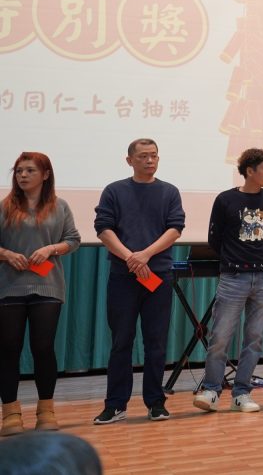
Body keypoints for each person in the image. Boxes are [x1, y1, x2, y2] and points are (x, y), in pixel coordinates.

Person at [93, 139, 185, 424]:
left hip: (158, 276)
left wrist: (145, 254)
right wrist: (130, 257)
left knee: (155, 343)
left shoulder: (169, 191)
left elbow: (175, 228)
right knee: (121, 341)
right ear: (129, 160)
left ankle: (155, 402)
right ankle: (116, 404)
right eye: (143, 156)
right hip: (123, 277)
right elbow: (103, 229)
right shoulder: (115, 190)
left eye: (154, 156)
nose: (150, 161)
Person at [0, 153, 81, 435]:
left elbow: (73, 240)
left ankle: (46, 410)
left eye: (30, 170)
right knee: (9, 348)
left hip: (48, 285)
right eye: (19, 171)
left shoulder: (60, 206)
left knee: (42, 347)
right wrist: (7, 254)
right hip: (10, 287)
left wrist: (50, 249)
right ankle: (9, 413)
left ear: (45, 174)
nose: (22, 175)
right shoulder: (5, 206)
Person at [194, 148, 263, 414]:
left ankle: (242, 393)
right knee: (220, 336)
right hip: (234, 277)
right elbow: (214, 239)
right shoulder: (226, 200)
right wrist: (234, 260)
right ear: (249, 170)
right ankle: (211, 390)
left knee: (254, 338)